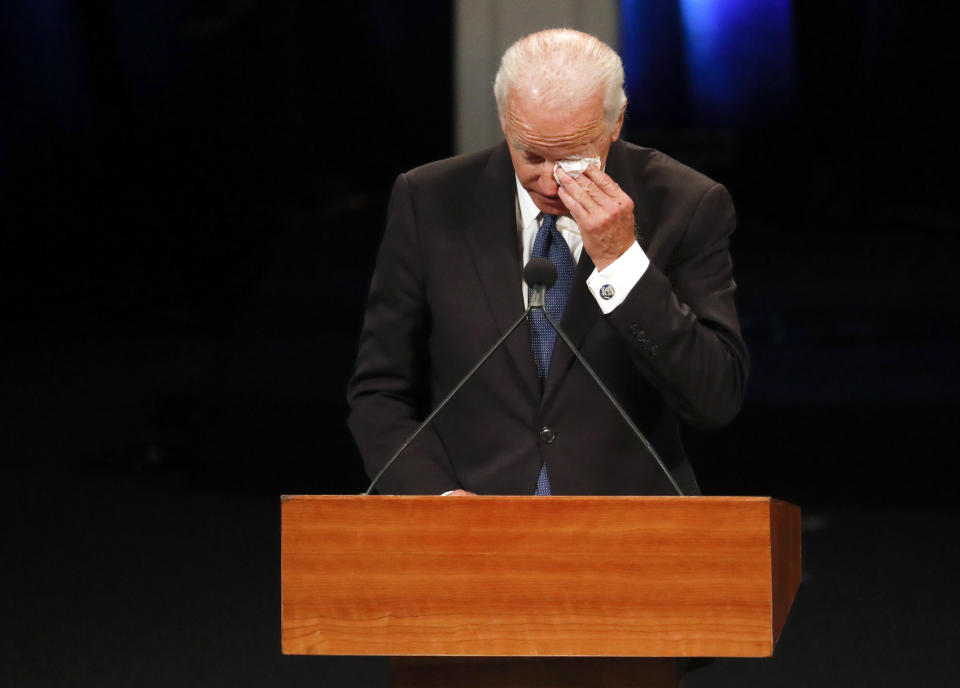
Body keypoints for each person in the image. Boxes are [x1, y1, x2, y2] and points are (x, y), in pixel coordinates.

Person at [347, 29, 748, 496]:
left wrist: (621, 263)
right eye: (532, 155)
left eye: (575, 159)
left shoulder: (685, 204)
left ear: (616, 122)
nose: (552, 182)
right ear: (504, 121)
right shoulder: (430, 200)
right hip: (467, 531)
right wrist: (434, 500)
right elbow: (380, 392)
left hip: (628, 534)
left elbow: (714, 398)